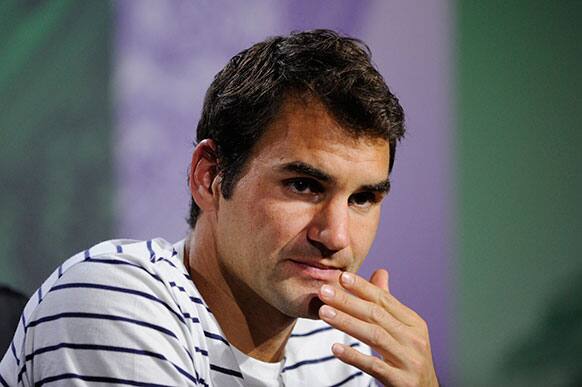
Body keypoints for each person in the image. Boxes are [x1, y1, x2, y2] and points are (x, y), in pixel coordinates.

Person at [0, 29, 438, 386]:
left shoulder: (337, 347)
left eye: (362, 198)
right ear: (208, 177)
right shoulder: (115, 301)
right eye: (303, 186)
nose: (336, 236)